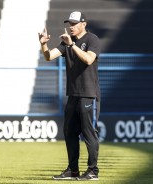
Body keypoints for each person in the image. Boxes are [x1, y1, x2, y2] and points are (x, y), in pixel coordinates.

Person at [38, 11, 101, 181]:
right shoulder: (66, 42)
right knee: (69, 132)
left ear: (83, 24)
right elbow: (49, 56)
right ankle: (73, 170)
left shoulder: (92, 39)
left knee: (89, 133)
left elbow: (88, 60)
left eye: (74, 24)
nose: (71, 27)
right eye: (69, 24)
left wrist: (71, 45)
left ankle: (93, 171)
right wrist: (43, 44)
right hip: (73, 94)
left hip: (88, 94)